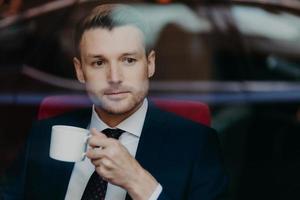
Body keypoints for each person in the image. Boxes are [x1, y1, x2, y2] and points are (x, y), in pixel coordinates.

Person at [1, 3, 228, 200]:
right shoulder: (43, 134)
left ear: (150, 64)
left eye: (128, 60)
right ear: (80, 71)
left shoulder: (197, 145)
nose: (114, 77)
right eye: (99, 63)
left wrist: (138, 181)